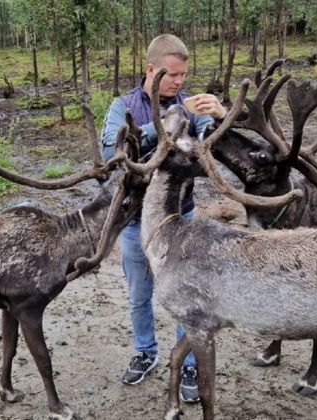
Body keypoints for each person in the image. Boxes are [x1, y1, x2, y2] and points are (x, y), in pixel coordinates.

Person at [100, 34, 226, 403]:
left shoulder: (194, 105)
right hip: (136, 222)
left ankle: (186, 361)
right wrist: (167, 122)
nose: (179, 82)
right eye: (172, 75)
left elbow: (212, 146)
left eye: (183, 75)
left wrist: (220, 117)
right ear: (151, 70)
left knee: (185, 296)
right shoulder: (122, 106)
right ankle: (145, 352)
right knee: (140, 295)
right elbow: (112, 148)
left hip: (181, 221)